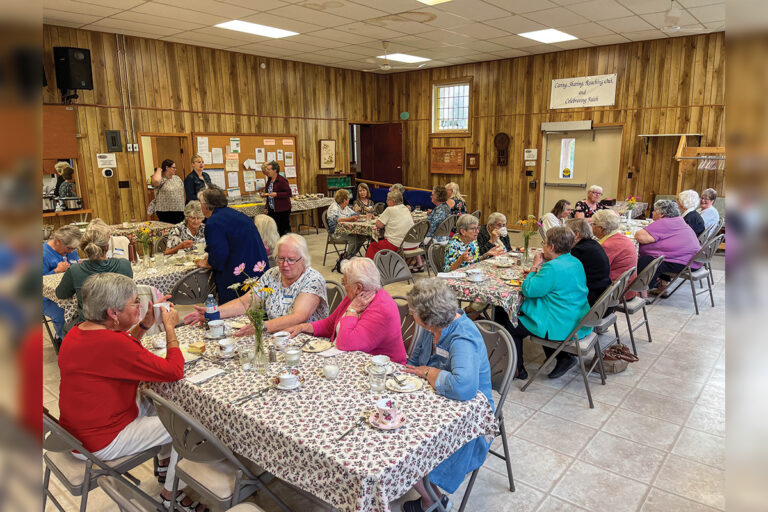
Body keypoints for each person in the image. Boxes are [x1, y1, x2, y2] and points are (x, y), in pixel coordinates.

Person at [58, 273, 208, 512]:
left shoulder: (78, 332)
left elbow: (120, 352)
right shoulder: (114, 344)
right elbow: (174, 370)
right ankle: (171, 495)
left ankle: (164, 464)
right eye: (135, 302)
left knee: (161, 402)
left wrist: (146, 324)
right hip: (100, 440)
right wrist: (170, 328)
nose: (140, 306)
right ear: (113, 313)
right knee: (183, 423)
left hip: (76, 432)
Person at [402, 278, 493, 512]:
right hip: (434, 400)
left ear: (429, 316)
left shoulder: (462, 336)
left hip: (469, 419)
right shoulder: (431, 327)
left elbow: (463, 388)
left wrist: (429, 372)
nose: (411, 316)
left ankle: (433, 500)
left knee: (405, 449)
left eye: (413, 312)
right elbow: (414, 363)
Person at [185, 234, 327, 335]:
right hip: (276, 337)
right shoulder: (272, 274)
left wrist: (262, 327)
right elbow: (246, 303)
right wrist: (214, 314)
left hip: (306, 340)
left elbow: (298, 317)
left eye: (291, 260)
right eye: (281, 258)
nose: (285, 265)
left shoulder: (312, 279)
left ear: (304, 259)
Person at [500, 226, 592, 380]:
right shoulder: (575, 261)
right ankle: (563, 357)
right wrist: (538, 273)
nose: (543, 246)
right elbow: (555, 282)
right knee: (533, 312)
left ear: (552, 247)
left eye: (544, 243)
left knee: (512, 324)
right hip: (577, 317)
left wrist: (534, 267)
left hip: (561, 324)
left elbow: (529, 290)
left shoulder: (552, 267)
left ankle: (518, 369)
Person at [287, 257, 406, 364]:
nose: (343, 285)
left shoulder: (382, 308)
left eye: (344, 282)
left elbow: (347, 343)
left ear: (358, 287)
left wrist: (352, 311)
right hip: (351, 360)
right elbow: (330, 324)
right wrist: (303, 327)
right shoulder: (355, 297)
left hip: (381, 371)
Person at [56, 220, 133, 331]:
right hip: (121, 323)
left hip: (90, 326)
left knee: (67, 328)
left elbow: (61, 294)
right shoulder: (124, 265)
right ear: (107, 247)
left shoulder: (75, 270)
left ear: (84, 249)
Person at [195, 188, 269, 303]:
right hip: (257, 268)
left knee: (236, 313)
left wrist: (208, 263)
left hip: (238, 275)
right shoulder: (238, 214)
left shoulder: (214, 222)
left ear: (205, 206)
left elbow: (219, 257)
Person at [635, 199, 701, 291]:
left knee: (648, 261)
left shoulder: (664, 222)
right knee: (660, 256)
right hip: (693, 260)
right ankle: (662, 287)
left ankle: (640, 292)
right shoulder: (678, 220)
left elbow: (640, 237)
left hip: (685, 263)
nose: (652, 213)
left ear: (661, 214)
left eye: (654, 211)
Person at [43, 226, 82, 348]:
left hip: (70, 294)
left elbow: (76, 265)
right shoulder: (42, 254)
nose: (71, 252)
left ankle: (83, 342)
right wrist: (55, 271)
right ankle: (66, 343)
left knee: (89, 310)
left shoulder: (71, 251)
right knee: (63, 314)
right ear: (58, 241)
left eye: (74, 249)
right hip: (47, 299)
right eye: (69, 248)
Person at [592, 209, 638, 299]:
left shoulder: (607, 245)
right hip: (628, 288)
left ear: (601, 228)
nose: (592, 226)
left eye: (594, 224)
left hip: (617, 292)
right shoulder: (621, 237)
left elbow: (595, 271)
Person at [566, 218, 612, 306]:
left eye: (566, 233)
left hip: (591, 299)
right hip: (603, 296)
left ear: (576, 234)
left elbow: (565, 276)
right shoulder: (593, 244)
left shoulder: (579, 250)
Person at [365, 190, 415, 259]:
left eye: (388, 200)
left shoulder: (390, 209)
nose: (386, 201)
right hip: (412, 243)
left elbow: (379, 225)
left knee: (372, 246)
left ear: (394, 201)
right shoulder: (406, 209)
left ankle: (368, 267)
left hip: (397, 244)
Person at [327, 189, 365, 272]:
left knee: (363, 236)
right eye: (348, 198)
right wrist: (349, 219)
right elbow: (336, 220)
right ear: (344, 200)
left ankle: (348, 256)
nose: (349, 200)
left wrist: (365, 216)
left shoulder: (346, 207)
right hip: (337, 232)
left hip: (347, 231)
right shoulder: (334, 207)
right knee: (353, 239)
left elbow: (355, 215)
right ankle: (346, 260)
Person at [262, 160, 292, 236]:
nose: (267, 171)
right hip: (272, 209)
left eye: (269, 169)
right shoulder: (269, 180)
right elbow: (268, 195)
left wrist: (277, 194)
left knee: (283, 230)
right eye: (267, 169)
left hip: (282, 210)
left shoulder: (282, 180)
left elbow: (289, 193)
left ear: (275, 170)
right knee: (274, 229)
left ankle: (287, 245)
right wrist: (266, 207)